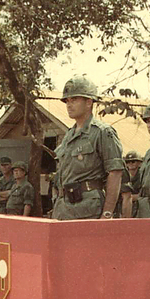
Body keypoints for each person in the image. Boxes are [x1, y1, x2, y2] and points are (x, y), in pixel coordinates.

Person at [51, 75, 124, 220]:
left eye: (74, 100)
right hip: (63, 208)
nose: (69, 105)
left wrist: (107, 213)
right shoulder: (68, 136)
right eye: (67, 101)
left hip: (88, 208)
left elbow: (115, 173)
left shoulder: (102, 132)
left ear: (89, 102)